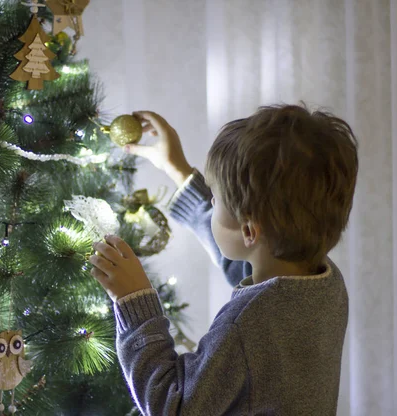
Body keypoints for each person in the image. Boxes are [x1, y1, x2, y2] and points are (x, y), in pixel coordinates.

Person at [89, 104, 359, 415]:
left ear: (248, 230)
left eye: (215, 199)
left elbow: (172, 405)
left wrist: (134, 303)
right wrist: (178, 170)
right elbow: (246, 261)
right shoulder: (323, 283)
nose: (212, 201)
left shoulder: (246, 323)